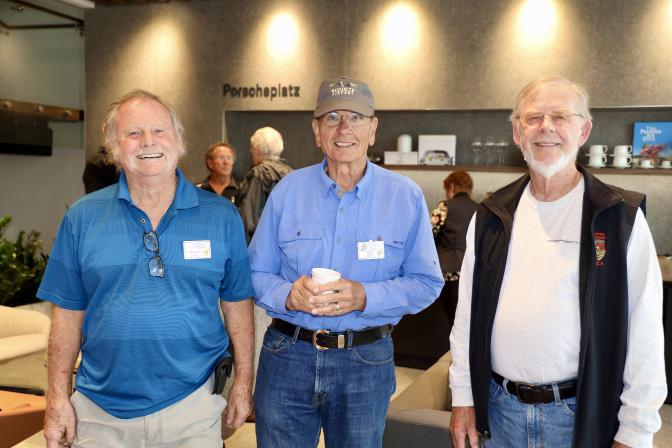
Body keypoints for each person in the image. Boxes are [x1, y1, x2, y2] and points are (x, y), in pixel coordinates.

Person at [449, 76, 666, 448]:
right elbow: (466, 316)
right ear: (517, 133)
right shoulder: (490, 216)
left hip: (581, 416)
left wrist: (636, 431)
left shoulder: (619, 218)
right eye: (533, 117)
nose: (545, 127)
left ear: (584, 131)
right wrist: (463, 397)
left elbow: (644, 332)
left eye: (561, 116)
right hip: (499, 414)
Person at [38, 90, 255, 448]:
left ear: (179, 142)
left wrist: (244, 383)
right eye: (133, 133)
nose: (148, 142)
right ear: (114, 147)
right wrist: (57, 399)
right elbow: (66, 315)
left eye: (159, 130)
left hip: (194, 408)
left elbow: (238, 303)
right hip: (99, 414)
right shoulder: (82, 217)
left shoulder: (221, 216)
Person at [248, 76, 444, 448]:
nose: (343, 128)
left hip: (365, 362)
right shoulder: (288, 191)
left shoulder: (404, 197)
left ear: (373, 128)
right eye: (332, 117)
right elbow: (254, 273)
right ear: (316, 130)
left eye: (355, 117)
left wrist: (364, 296)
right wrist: (287, 295)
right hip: (287, 356)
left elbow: (426, 282)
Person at [430, 170, 478, 328]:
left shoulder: (444, 207)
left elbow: (428, 234)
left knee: (450, 320)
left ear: (451, 187)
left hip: (448, 272)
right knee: (466, 319)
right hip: (472, 272)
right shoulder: (480, 209)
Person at [237, 126, 292, 242]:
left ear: (258, 150)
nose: (251, 151)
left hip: (262, 244)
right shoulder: (291, 174)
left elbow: (248, 220)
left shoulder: (258, 174)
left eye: (252, 147)